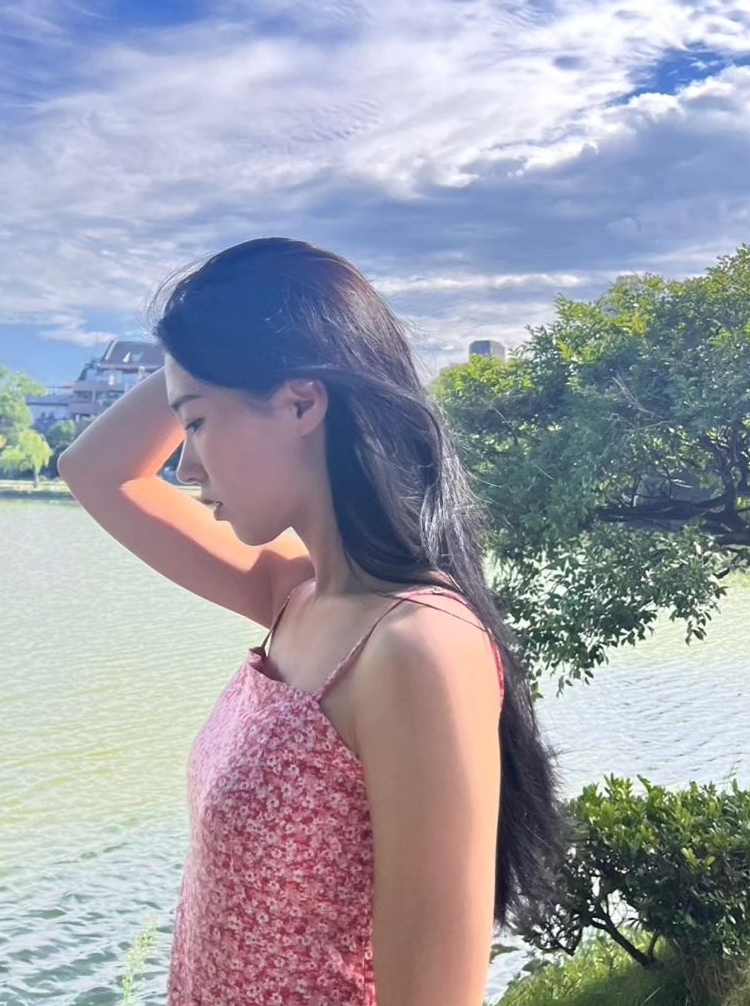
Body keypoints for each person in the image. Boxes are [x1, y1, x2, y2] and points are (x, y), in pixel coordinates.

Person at [58, 237, 563, 1006]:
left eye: (197, 421)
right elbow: (94, 471)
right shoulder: (295, 597)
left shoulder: (416, 648)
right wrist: (202, 347)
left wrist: (226, 342)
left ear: (301, 403)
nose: (186, 466)